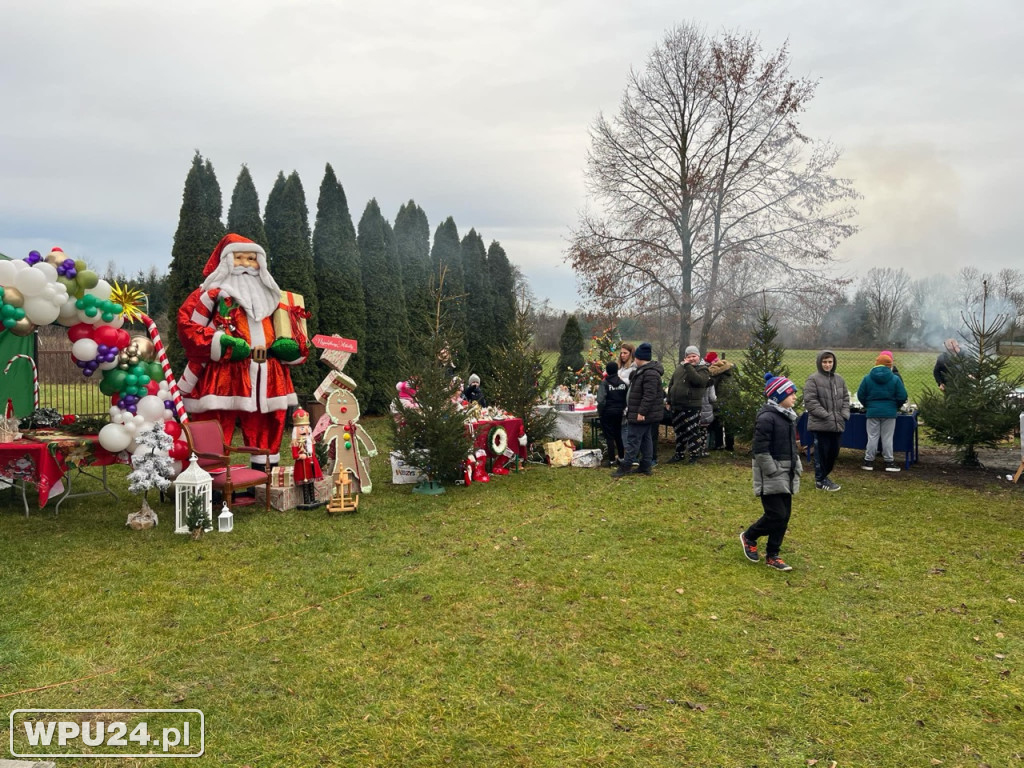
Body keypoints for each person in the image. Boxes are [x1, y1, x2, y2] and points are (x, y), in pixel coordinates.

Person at [177, 233, 308, 481]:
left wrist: (291, 347)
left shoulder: (274, 296)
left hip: (269, 374)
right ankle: (208, 484)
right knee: (215, 424)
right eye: (239, 258)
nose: (246, 265)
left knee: (267, 426)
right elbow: (188, 328)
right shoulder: (209, 294)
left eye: (252, 258)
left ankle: (262, 480)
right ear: (227, 261)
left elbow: (295, 331)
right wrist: (220, 343)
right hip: (224, 374)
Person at [739, 374, 802, 571]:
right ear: (778, 396)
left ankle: (773, 554)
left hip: (788, 471)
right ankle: (749, 536)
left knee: (785, 516)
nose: (794, 397)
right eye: (791, 394)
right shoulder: (767, 417)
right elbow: (759, 449)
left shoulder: (789, 416)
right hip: (772, 474)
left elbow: (791, 445)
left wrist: (796, 465)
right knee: (776, 514)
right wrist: (772, 471)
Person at [611, 342, 664, 478]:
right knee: (646, 439)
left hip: (641, 413)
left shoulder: (650, 373)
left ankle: (626, 466)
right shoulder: (644, 371)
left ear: (640, 358)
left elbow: (649, 396)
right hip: (640, 412)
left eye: (636, 357)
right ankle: (645, 466)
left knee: (633, 439)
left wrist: (642, 412)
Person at [803, 350, 850, 492]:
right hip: (821, 424)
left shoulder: (839, 380)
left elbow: (846, 399)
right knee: (821, 453)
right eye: (824, 362)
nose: (827, 365)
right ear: (819, 362)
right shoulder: (813, 380)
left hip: (837, 424)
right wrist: (827, 415)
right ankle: (820, 480)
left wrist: (844, 414)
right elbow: (810, 401)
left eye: (830, 362)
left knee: (833, 453)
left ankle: (825, 476)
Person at [856, 352, 908, 472]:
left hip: (872, 412)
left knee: (872, 437)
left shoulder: (867, 378)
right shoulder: (895, 378)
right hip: (889, 412)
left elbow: (861, 394)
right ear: (890, 365)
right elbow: (902, 395)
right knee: (887, 438)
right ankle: (889, 462)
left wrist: (868, 405)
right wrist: (895, 406)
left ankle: (868, 461)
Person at [666, 345, 710, 464]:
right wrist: (669, 400)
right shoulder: (679, 368)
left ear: (698, 356)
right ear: (685, 357)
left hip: (692, 406)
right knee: (679, 432)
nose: (691, 358)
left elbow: (698, 381)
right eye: (689, 356)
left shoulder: (703, 369)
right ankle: (679, 454)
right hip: (677, 405)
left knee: (692, 432)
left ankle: (694, 455)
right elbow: (672, 384)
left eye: (694, 356)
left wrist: (688, 366)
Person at [290, 407, 323, 509]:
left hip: (311, 463)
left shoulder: (310, 441)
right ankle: (306, 500)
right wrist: (300, 456)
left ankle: (313, 499)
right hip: (302, 465)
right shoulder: (295, 443)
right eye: (302, 428)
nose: (305, 430)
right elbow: (294, 455)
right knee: (305, 482)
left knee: (311, 482)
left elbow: (313, 451)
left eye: (306, 427)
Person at [596, 360, 627, 466]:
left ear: (607, 371)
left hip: (607, 413)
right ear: (617, 370)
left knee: (609, 436)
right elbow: (626, 398)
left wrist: (600, 412)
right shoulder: (623, 384)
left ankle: (611, 460)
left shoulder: (605, 383)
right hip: (619, 412)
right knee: (618, 434)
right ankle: (622, 458)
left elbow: (600, 400)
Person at [706, 352, 736, 451]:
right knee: (729, 423)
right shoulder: (730, 370)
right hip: (732, 399)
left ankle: (718, 444)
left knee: (718, 422)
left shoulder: (715, 372)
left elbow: (712, 388)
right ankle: (730, 446)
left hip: (720, 400)